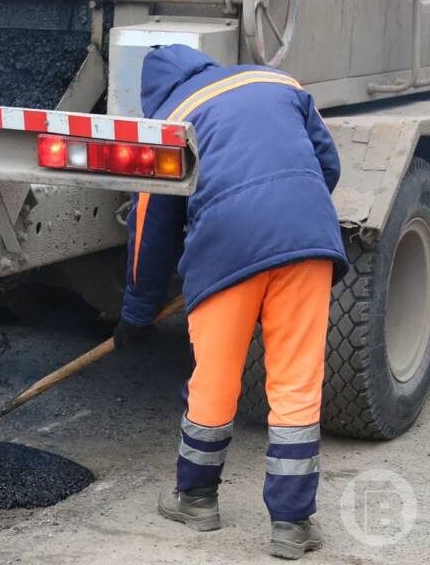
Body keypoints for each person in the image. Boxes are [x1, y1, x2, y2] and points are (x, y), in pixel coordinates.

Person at [113, 45, 348, 559]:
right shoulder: (277, 82)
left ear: (153, 95)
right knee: (296, 382)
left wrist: (136, 314)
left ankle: (196, 499)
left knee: (215, 381)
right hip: (306, 243)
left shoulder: (171, 119)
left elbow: (150, 228)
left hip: (225, 250)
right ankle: (292, 525)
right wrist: (287, 213)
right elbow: (327, 164)